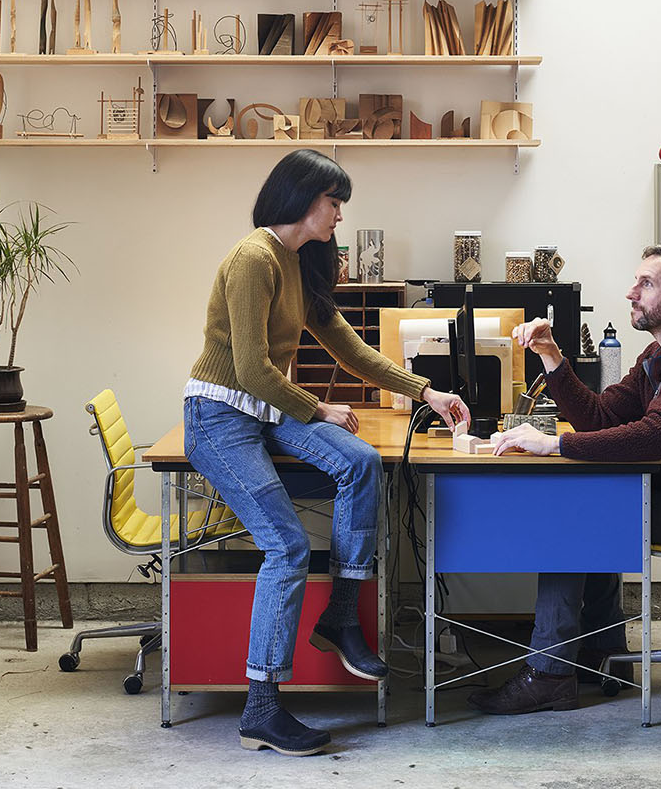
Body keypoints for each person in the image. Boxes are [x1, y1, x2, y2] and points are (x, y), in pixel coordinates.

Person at [184, 149, 469, 755]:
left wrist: (427, 391)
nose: (340, 214)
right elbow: (250, 370)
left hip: (264, 412)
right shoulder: (253, 258)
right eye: (333, 202)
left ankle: (341, 615)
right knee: (285, 546)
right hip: (219, 416)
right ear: (302, 199)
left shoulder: (297, 261)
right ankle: (261, 708)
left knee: (361, 461)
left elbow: (347, 344)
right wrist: (316, 408)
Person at [469, 245, 661, 716]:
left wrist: (556, 445)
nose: (631, 292)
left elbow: (659, 435)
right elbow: (603, 415)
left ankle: (550, 675)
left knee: (573, 517)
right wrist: (552, 358)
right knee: (595, 501)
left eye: (646, 284)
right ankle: (603, 657)